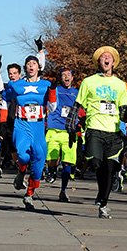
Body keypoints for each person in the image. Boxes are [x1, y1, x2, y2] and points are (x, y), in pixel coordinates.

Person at [65, 46, 127, 219]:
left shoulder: (120, 84)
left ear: (113, 62)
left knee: (110, 168)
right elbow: (77, 105)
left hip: (113, 131)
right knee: (97, 163)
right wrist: (70, 126)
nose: (106, 59)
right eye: (103, 57)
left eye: (109, 57)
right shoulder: (88, 82)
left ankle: (103, 202)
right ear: (99, 62)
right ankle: (101, 192)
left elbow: (126, 109)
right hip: (94, 129)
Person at [1, 54, 54, 209]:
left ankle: (29, 194)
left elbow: (52, 108)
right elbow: (4, 97)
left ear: (38, 67)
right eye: (28, 64)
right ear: (25, 68)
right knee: (23, 155)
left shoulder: (46, 85)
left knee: (39, 159)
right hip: (22, 124)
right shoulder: (17, 85)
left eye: (34, 63)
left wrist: (52, 92)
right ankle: (21, 171)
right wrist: (3, 120)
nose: (31, 66)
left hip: (38, 126)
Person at [46, 67, 79, 202]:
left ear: (72, 78)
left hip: (70, 131)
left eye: (68, 75)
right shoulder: (55, 90)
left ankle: (63, 190)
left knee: (67, 163)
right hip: (54, 129)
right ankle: (52, 171)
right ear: (61, 78)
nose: (66, 77)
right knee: (52, 160)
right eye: (63, 75)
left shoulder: (77, 92)